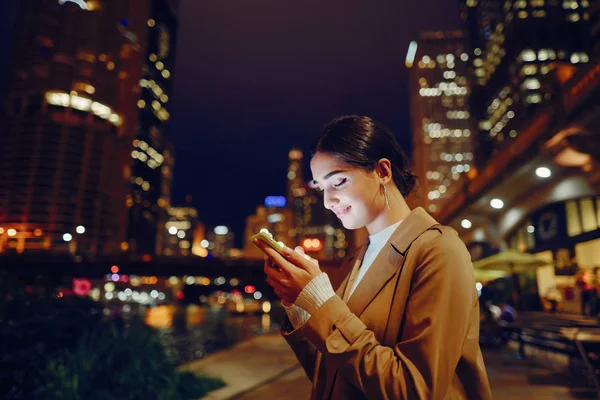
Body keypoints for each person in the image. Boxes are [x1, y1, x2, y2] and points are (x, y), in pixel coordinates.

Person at [254, 116, 492, 399]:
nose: (328, 201)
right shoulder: (356, 259)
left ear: (382, 171)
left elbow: (415, 390)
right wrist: (301, 306)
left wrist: (322, 303)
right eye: (321, 188)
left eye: (338, 181)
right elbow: (332, 372)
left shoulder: (439, 251)